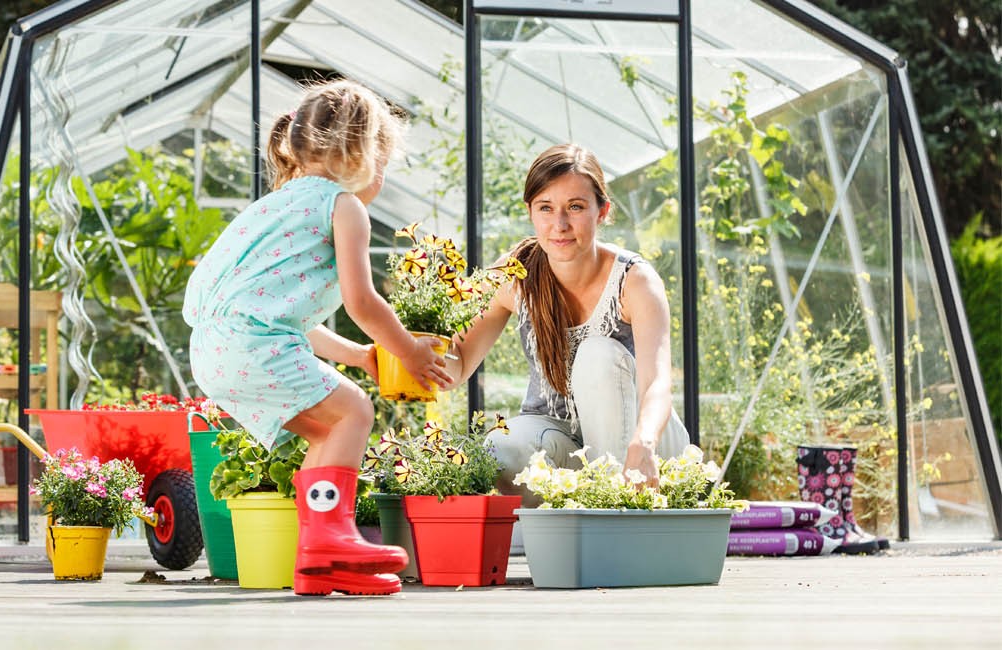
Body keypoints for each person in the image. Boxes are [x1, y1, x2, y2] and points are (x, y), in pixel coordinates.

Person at [182, 80, 452, 596]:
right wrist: (409, 351)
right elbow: (362, 303)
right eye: (385, 161)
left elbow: (287, 316)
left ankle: (320, 562)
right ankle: (328, 542)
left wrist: (362, 357)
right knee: (353, 413)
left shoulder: (276, 204)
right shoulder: (343, 206)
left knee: (327, 430)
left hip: (218, 348)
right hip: (252, 343)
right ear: (363, 152)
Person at [443, 143, 690, 507]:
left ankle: (618, 516)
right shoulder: (515, 273)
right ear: (530, 212)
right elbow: (458, 362)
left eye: (575, 207)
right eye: (546, 208)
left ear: (602, 211)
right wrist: (411, 346)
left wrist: (645, 441)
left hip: (645, 444)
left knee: (597, 354)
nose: (559, 225)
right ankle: (579, 517)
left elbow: (657, 384)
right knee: (499, 447)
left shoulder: (634, 280)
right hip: (563, 438)